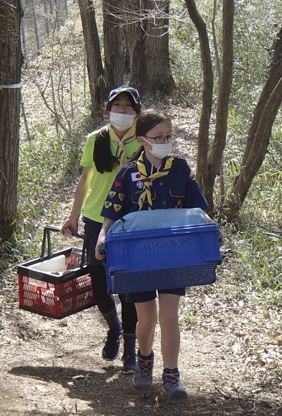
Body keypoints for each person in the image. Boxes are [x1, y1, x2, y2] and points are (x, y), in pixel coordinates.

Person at [95, 109, 221, 400]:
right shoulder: (128, 173)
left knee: (169, 316)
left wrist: (211, 227)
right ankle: (145, 359)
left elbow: (196, 208)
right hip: (140, 257)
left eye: (168, 136)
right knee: (147, 319)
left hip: (173, 252)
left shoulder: (179, 168)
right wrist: (103, 236)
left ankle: (172, 375)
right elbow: (112, 212)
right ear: (142, 139)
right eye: (158, 137)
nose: (165, 141)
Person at [61, 85, 142, 374]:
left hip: (131, 222)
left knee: (129, 288)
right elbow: (85, 180)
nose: (122, 111)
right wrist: (73, 216)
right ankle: (114, 328)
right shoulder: (95, 140)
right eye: (117, 106)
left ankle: (131, 349)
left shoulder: (144, 140)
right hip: (96, 219)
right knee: (98, 283)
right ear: (107, 110)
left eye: (128, 107)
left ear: (136, 113)